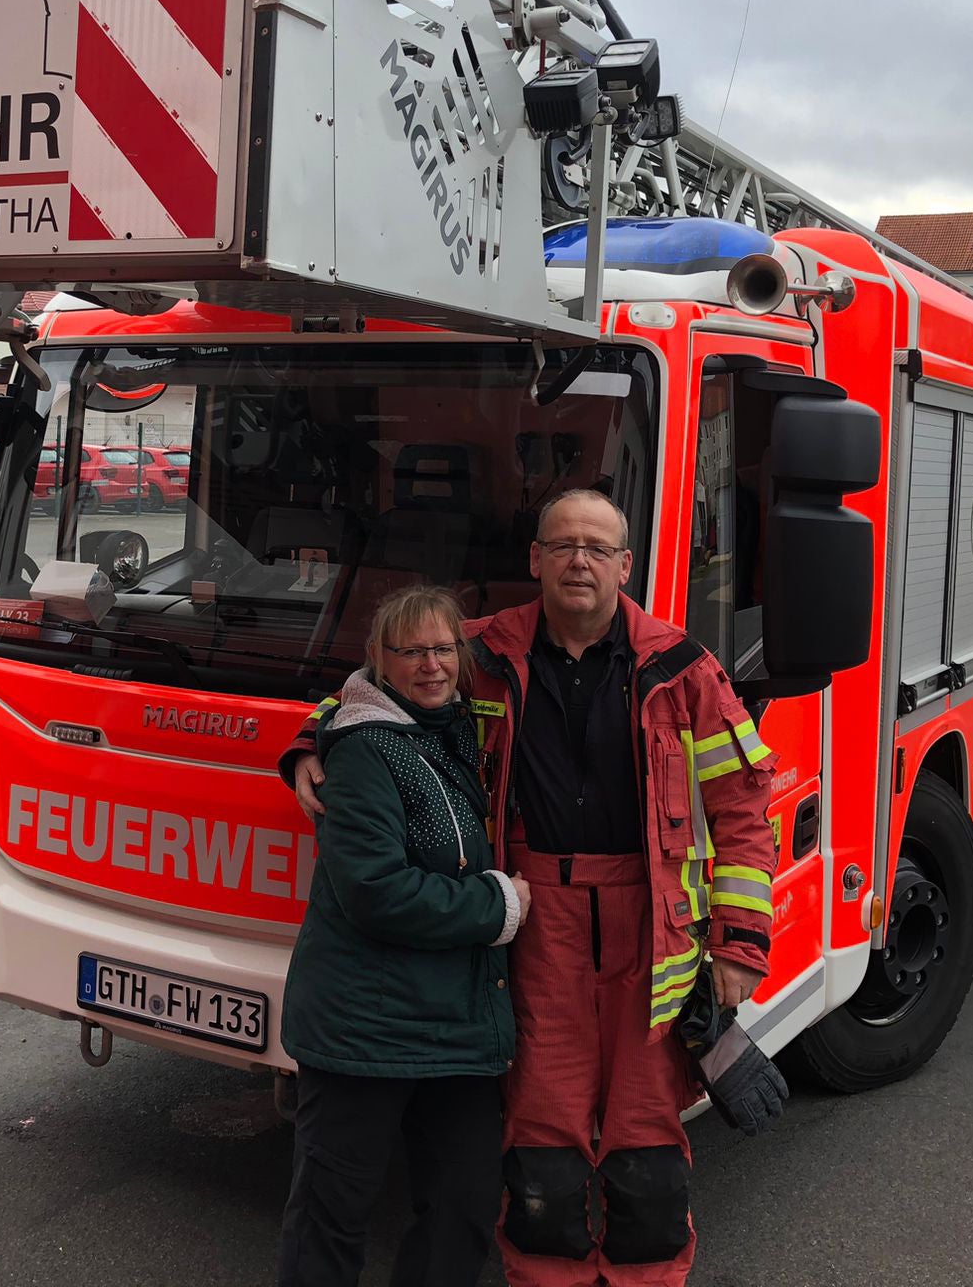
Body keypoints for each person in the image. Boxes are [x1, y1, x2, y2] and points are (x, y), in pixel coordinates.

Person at [283, 491, 778, 1287]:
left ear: (624, 565)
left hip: (651, 926)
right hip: (534, 915)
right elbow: (386, 679)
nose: (580, 560)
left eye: (597, 547)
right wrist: (312, 740)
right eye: (563, 544)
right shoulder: (485, 650)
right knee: (543, 1145)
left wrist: (740, 942)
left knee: (647, 1153)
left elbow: (744, 807)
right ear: (536, 560)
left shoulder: (684, 669)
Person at [276, 584, 534, 1287]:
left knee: (463, 1207)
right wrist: (499, 905)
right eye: (412, 651)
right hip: (365, 1031)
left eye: (444, 649)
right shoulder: (364, 750)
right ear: (378, 660)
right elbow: (376, 893)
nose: (431, 664)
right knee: (331, 1216)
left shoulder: (459, 723)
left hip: (457, 1026)